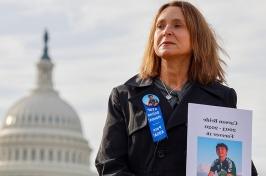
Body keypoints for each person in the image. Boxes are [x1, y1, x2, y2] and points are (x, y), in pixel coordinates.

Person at [95, 1, 258, 175]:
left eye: (178, 25)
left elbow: (240, 165)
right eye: (160, 26)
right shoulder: (124, 96)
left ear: (197, 37)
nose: (166, 31)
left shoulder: (221, 98)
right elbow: (110, 165)